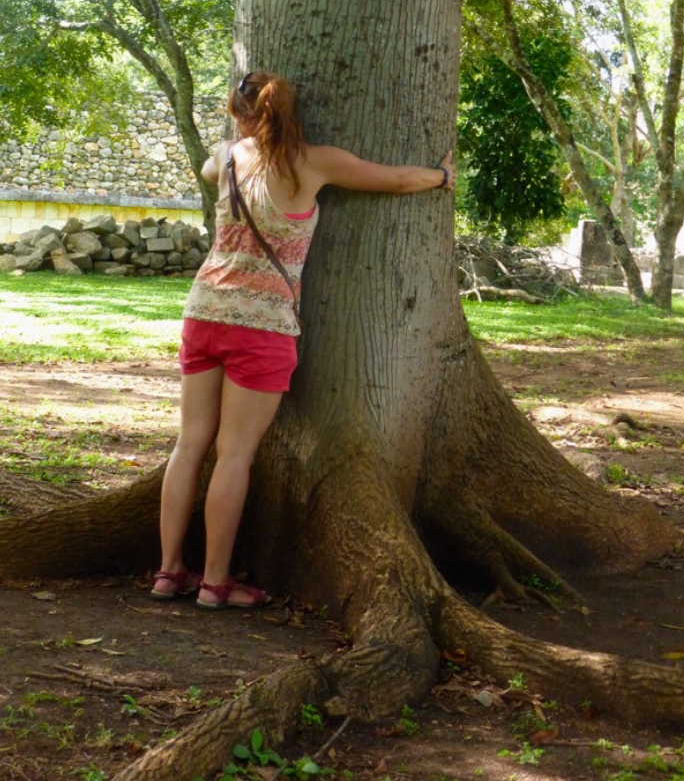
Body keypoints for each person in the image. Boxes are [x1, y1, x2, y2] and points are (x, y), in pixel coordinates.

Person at [151, 70, 456, 610]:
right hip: (261, 323)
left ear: (240, 113)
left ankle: (169, 570)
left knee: (189, 445)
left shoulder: (221, 159)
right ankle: (215, 583)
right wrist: (441, 176)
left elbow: (208, 167)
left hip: (204, 311)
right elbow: (396, 180)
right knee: (235, 455)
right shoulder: (314, 162)